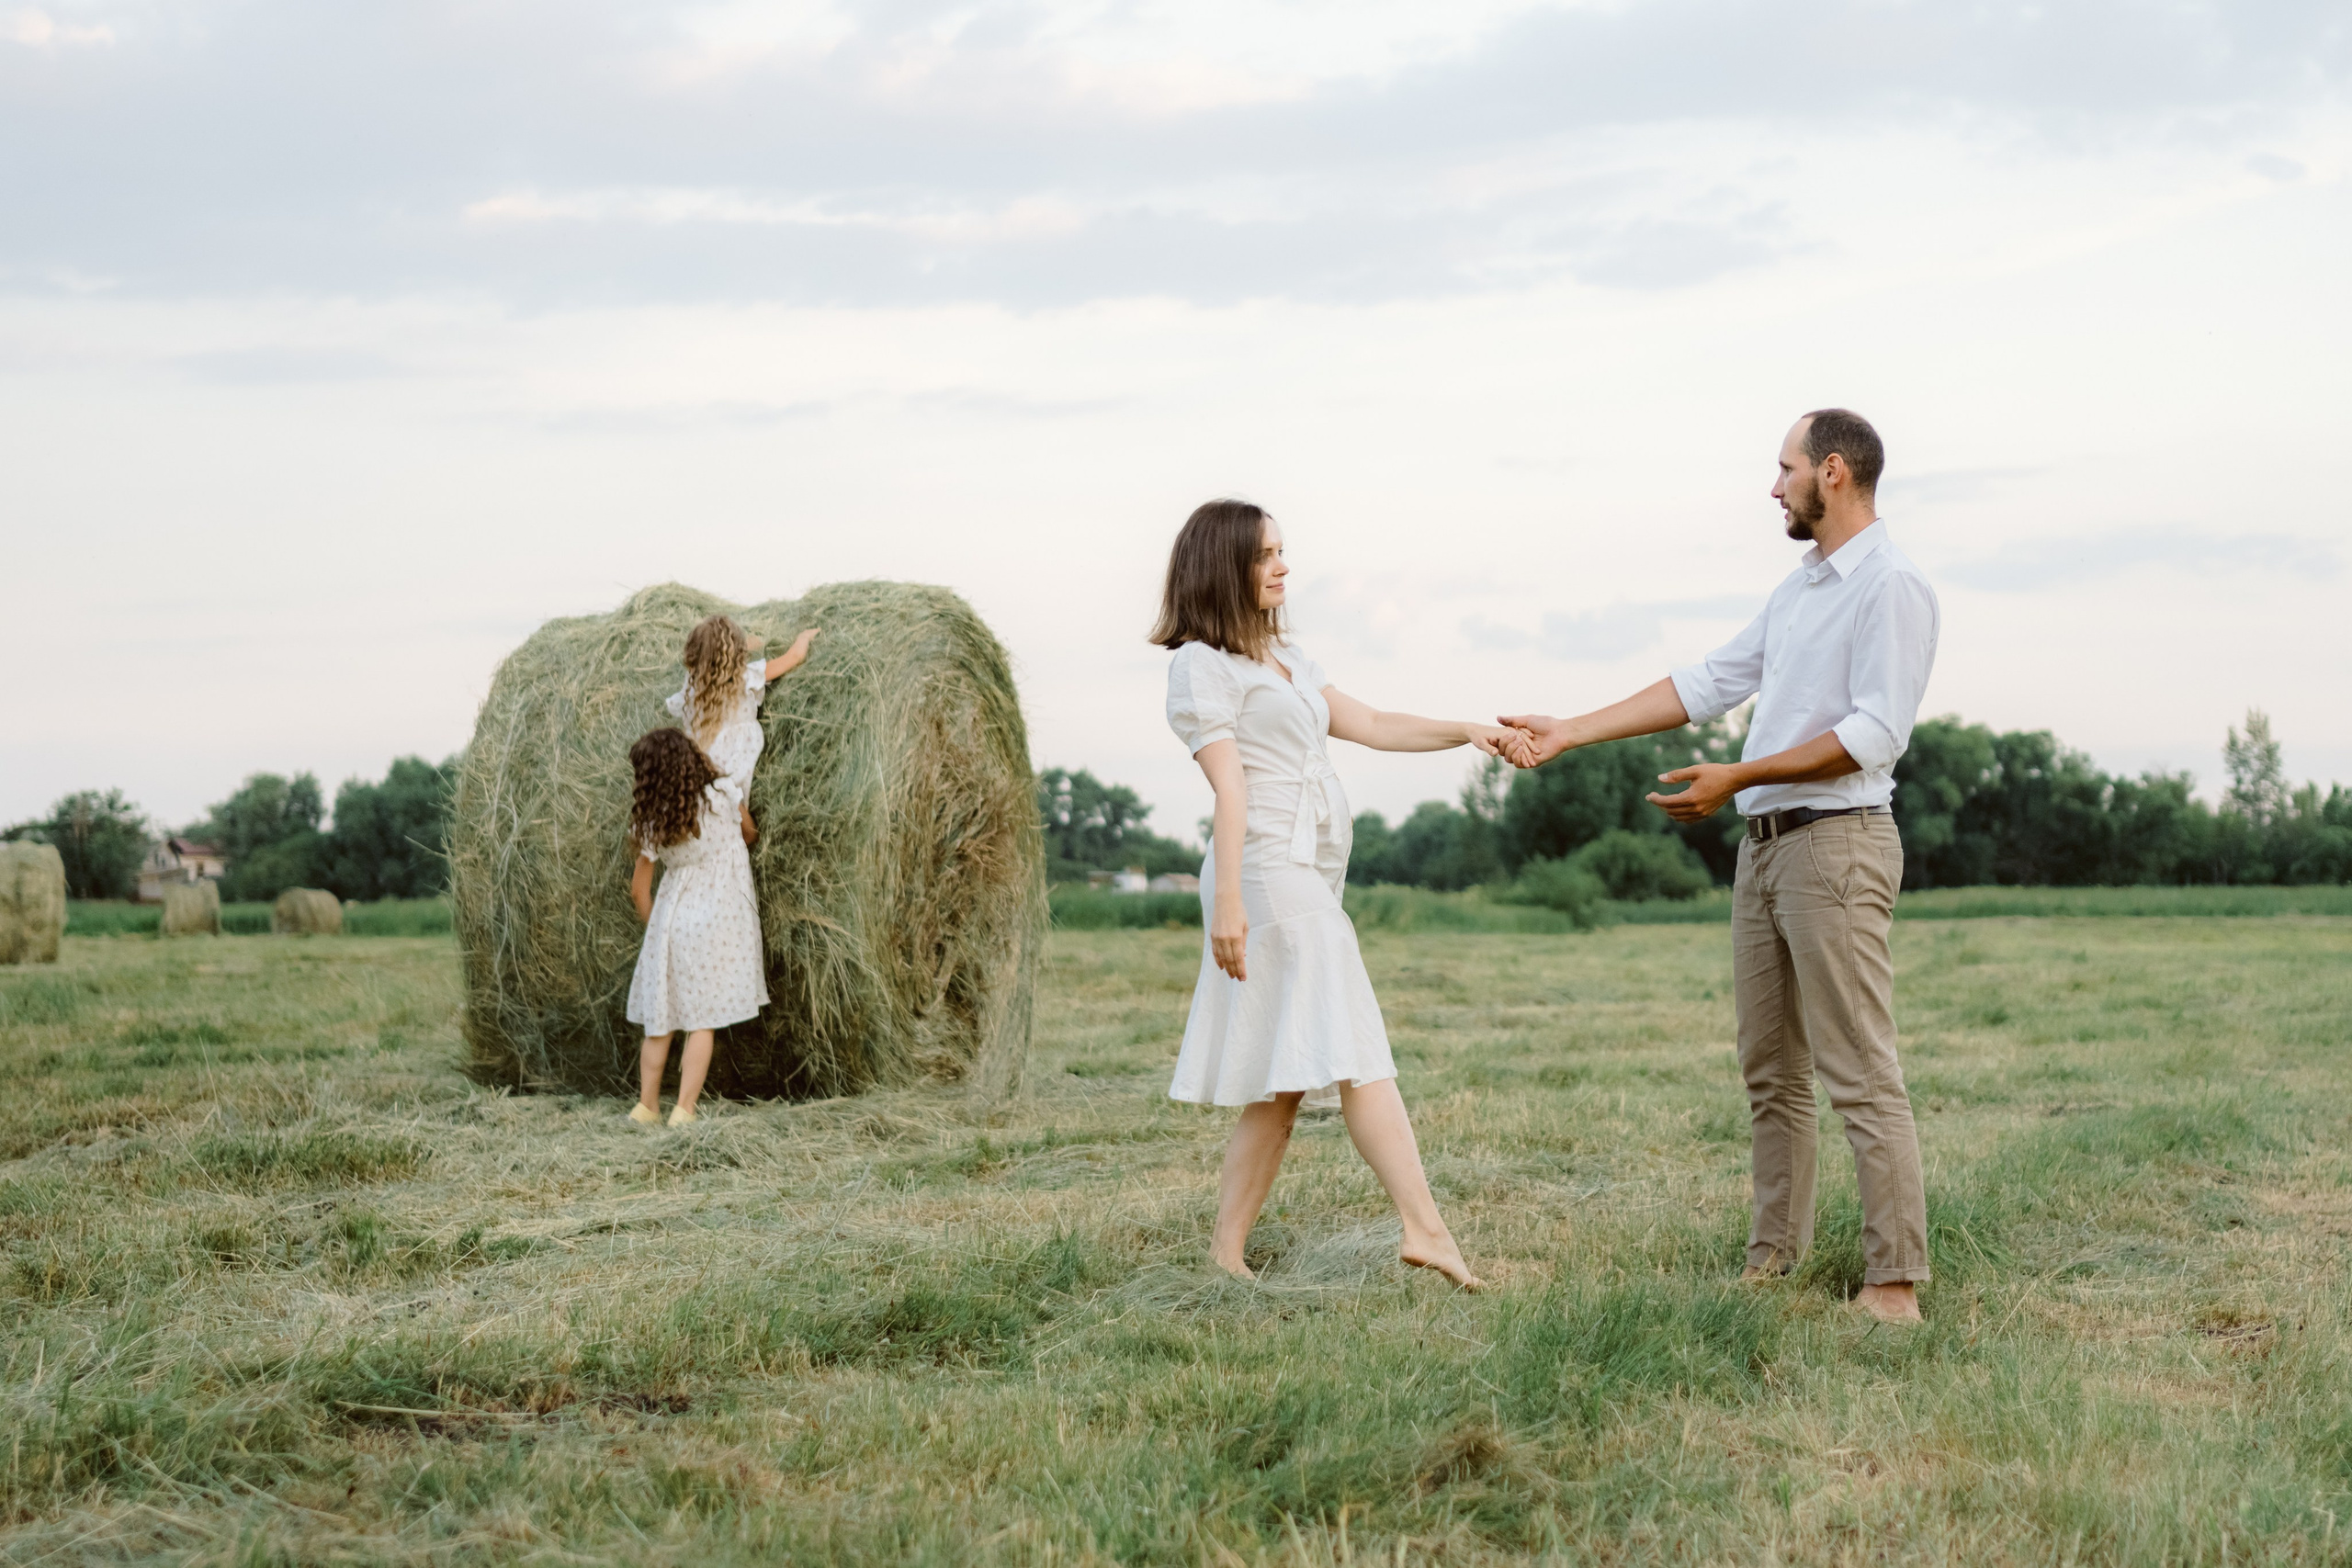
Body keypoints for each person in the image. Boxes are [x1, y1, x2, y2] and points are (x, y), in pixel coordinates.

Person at [1500, 410, 1939, 1324]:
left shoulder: (1890, 586)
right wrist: (1572, 730)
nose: (1770, 487)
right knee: (1769, 1070)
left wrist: (1737, 772)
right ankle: (1771, 1263)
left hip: (1838, 843)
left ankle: (1892, 1285)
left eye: (1782, 469)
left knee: (1858, 1069)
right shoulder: (1801, 589)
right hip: (1765, 849)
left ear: (1831, 473)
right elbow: (1706, 683)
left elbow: (1872, 732)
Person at [1154, 498, 1524, 1290]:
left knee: (1285, 1075)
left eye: (1283, 550)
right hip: (1265, 873)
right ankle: (1426, 1229)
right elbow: (1229, 788)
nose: (1284, 566)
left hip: (1308, 869)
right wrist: (1227, 903)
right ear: (1224, 567)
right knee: (1357, 1048)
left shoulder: (1286, 660)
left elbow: (1377, 721)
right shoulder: (1202, 665)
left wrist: (1468, 728)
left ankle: (1224, 1255)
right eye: (1266, 555)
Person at [622, 727, 769, 1127]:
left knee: (660, 1021)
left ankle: (645, 1107)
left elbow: (639, 891)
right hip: (718, 919)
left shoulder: (652, 820)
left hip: (672, 921)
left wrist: (658, 933)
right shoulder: (723, 794)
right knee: (701, 1021)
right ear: (690, 759)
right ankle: (684, 1111)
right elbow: (750, 834)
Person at [668, 614, 820, 847]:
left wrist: (748, 642)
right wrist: (803, 636)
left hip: (699, 759)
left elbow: (714, 649)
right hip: (734, 757)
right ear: (736, 653)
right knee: (734, 815)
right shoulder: (745, 676)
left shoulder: (691, 684)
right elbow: (795, 656)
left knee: (708, 811)